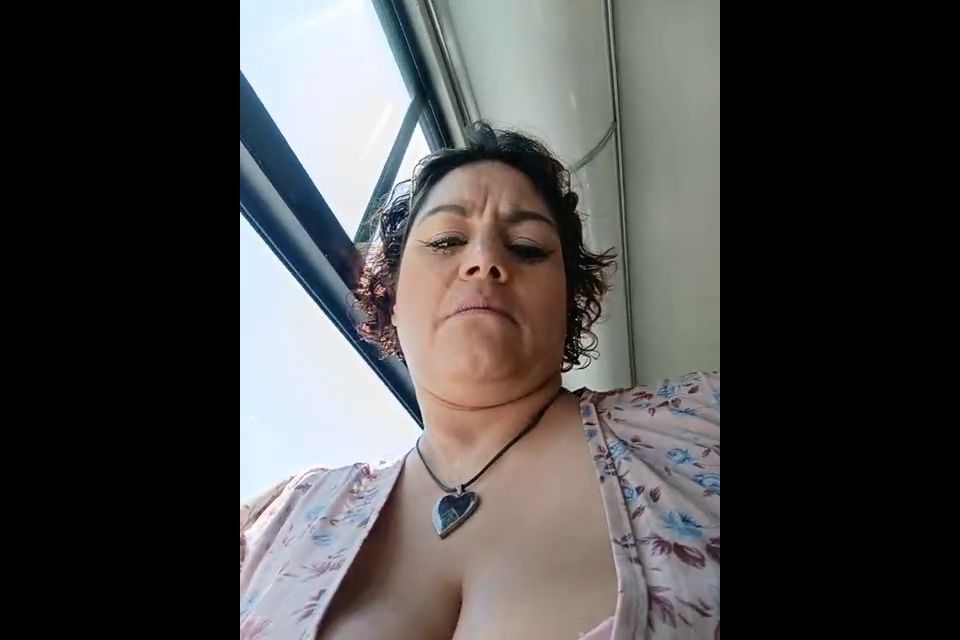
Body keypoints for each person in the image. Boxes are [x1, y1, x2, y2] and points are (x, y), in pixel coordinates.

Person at [240, 123, 720, 640]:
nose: (485, 259)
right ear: (391, 297)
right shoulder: (278, 521)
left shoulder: (703, 424)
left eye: (528, 247)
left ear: (569, 304)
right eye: (446, 240)